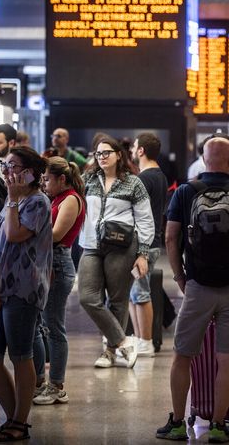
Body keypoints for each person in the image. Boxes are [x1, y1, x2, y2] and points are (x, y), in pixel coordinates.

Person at [157, 137, 229, 443]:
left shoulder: (185, 192)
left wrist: (180, 277)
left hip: (198, 286)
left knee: (182, 355)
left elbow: (170, 237)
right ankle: (219, 425)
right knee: (227, 358)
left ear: (203, 160)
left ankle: (178, 422)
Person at [0, 146, 52, 442]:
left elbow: (14, 235)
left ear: (31, 172)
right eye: (5, 165)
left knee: (21, 356)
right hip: (0, 288)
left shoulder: (37, 201)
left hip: (24, 289)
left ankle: (19, 422)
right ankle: (13, 419)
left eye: (14, 166)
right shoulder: (15, 201)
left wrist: (11, 200)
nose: (8, 172)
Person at [79, 136, 154, 369]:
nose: (101, 157)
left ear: (118, 155)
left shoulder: (133, 183)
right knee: (88, 297)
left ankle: (110, 352)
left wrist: (143, 254)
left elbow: (145, 220)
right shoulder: (87, 179)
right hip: (91, 245)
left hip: (122, 246)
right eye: (98, 154)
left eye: (106, 153)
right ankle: (123, 341)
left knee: (118, 300)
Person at [33, 157, 86, 405]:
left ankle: (57, 385)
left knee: (54, 327)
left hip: (59, 264)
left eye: (47, 179)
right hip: (48, 263)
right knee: (45, 326)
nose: (43, 184)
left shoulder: (71, 199)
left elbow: (56, 235)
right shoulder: (56, 198)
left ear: (61, 179)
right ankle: (44, 382)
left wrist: (27, 231)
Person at [129, 132, 168, 357]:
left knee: (141, 292)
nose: (133, 151)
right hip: (151, 241)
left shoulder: (144, 178)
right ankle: (139, 338)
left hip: (144, 244)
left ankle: (145, 340)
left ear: (141, 150)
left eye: (135, 147)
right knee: (135, 293)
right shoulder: (159, 175)